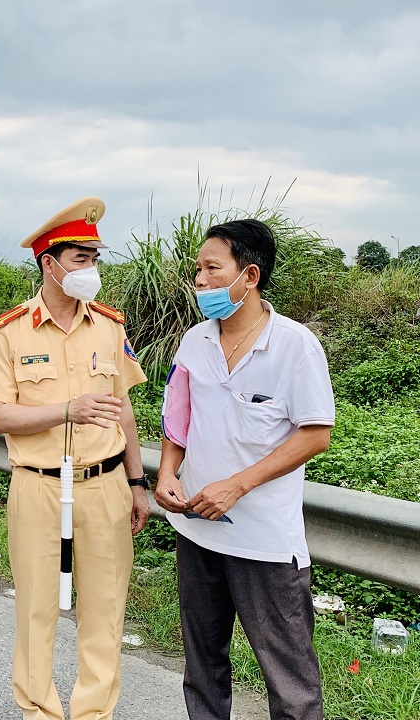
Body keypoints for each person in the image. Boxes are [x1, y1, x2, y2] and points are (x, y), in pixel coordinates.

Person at [0, 197, 150, 720]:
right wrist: (66, 409)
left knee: (105, 607)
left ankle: (95, 712)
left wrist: (138, 484)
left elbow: (125, 413)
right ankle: (39, 710)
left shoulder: (110, 328)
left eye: (95, 258)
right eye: (80, 258)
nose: (91, 269)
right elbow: (0, 417)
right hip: (39, 485)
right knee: (36, 608)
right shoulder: (9, 331)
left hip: (106, 485)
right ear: (50, 264)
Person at [155, 219, 334, 720]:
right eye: (198, 269)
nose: (200, 281)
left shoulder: (295, 346)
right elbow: (178, 418)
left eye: (213, 269)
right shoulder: (194, 340)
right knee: (203, 667)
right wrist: (169, 472)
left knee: (289, 681)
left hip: (265, 544)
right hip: (197, 530)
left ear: (249, 275)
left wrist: (236, 486)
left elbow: (315, 433)